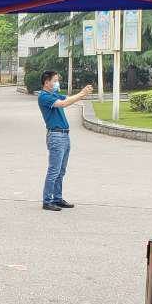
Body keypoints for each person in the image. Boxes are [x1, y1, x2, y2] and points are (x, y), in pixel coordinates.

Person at [37, 70, 92, 211]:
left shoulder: (53, 94)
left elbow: (68, 99)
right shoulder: (44, 96)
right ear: (46, 82)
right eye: (55, 80)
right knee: (54, 170)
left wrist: (82, 94)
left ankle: (57, 198)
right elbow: (63, 103)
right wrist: (82, 93)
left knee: (61, 170)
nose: (57, 83)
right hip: (56, 136)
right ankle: (47, 200)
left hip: (64, 135)